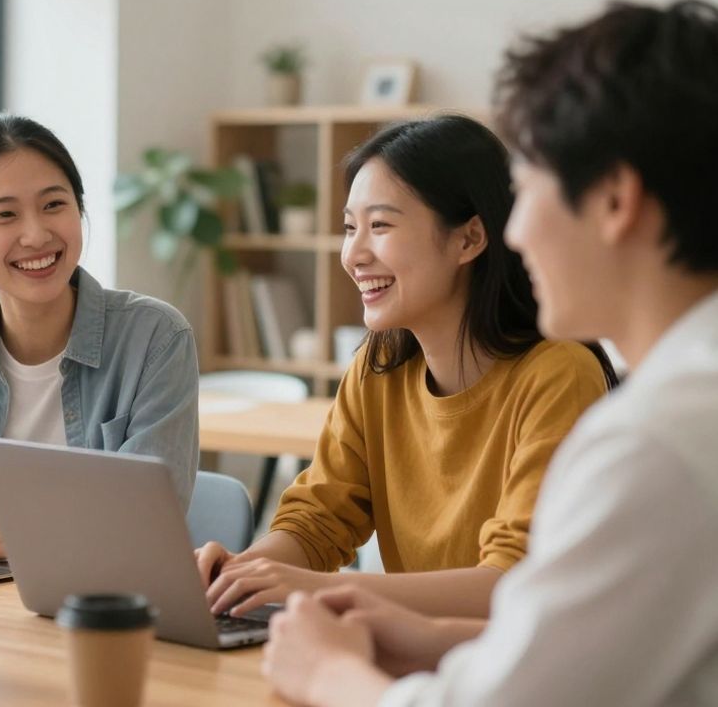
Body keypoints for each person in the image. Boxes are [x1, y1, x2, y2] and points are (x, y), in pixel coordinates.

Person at [261, 0, 718, 707]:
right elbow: (566, 643)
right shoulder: (683, 400)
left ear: (615, 201)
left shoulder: (657, 442)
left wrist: (328, 674)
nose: (517, 231)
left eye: (529, 189)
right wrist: (420, 632)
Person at [196, 114, 617, 619]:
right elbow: (317, 521)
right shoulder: (378, 368)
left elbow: (515, 582)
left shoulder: (559, 375)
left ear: (469, 238)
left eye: (380, 225)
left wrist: (308, 588)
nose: (354, 254)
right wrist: (243, 575)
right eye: (350, 227)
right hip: (412, 658)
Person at [0, 114, 200, 562]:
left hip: (104, 605)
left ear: (80, 208)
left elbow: (149, 520)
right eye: (5, 214)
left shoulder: (155, 338)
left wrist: (37, 539)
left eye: (53, 205)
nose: (36, 234)